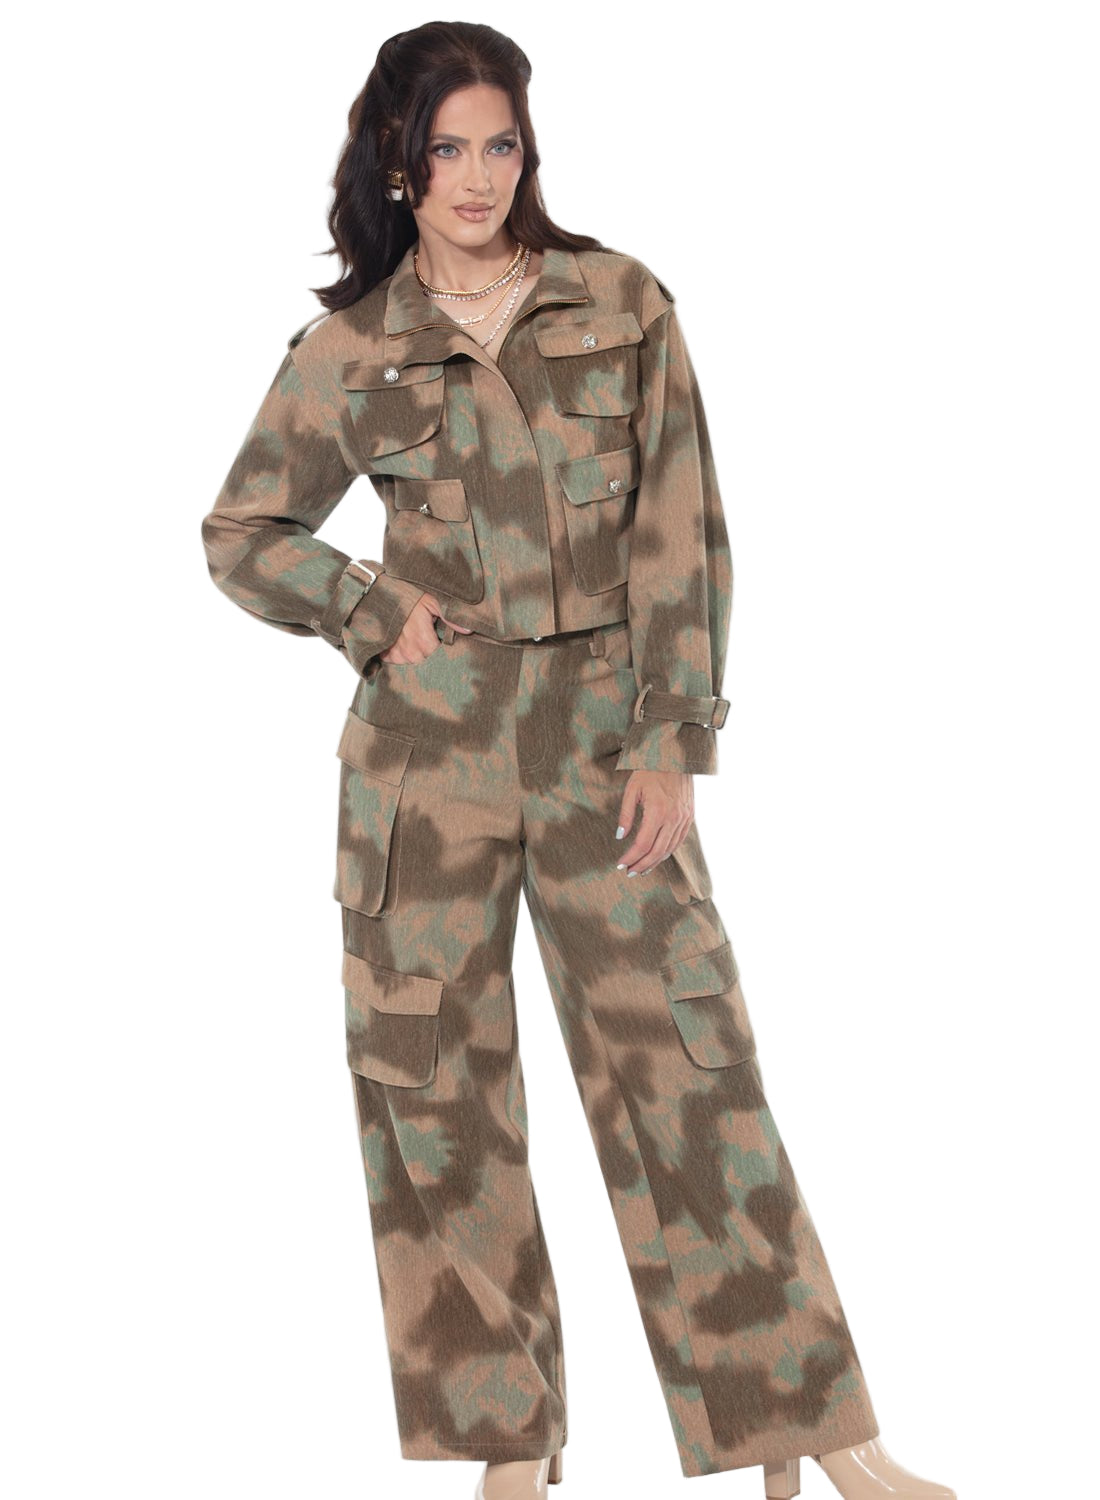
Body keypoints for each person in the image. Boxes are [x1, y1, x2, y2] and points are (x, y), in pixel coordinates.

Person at [200, 21, 955, 1500]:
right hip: (424, 758)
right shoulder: (350, 350)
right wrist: (369, 609)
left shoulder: (620, 303)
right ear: (398, 166)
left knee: (690, 1070)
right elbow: (242, 533)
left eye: (501, 144)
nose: (477, 177)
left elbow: (683, 532)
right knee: (436, 1095)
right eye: (447, 150)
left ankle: (807, 1426)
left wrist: (673, 737)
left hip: (606, 738)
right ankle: (511, 1436)